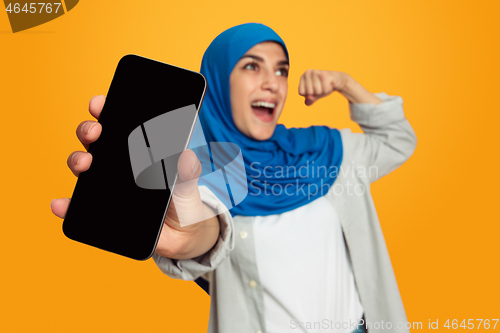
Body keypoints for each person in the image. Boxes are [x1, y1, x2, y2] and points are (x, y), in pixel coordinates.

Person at [51, 23, 417, 333]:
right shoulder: (197, 171)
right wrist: (188, 238)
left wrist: (346, 83)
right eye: (252, 67)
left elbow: (398, 141)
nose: (273, 83)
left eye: (281, 70)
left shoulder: (324, 151)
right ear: (219, 80)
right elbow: (207, 235)